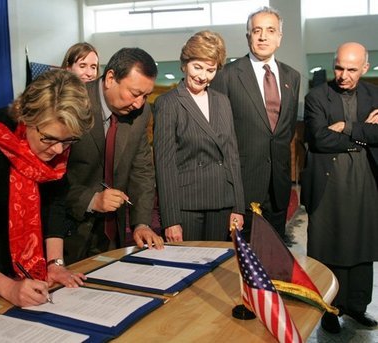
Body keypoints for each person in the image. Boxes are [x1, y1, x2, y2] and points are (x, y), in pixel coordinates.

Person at [0, 69, 93, 306]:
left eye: (68, 141)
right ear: (26, 116)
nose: (59, 151)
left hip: (30, 277)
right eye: (49, 139)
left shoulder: (56, 142)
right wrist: (7, 287)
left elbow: (55, 201)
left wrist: (55, 264)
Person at [55, 47, 165, 264]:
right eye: (134, 94)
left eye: (145, 96)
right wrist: (91, 199)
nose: (139, 103)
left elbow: (142, 169)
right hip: (66, 231)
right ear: (111, 78)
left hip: (111, 234)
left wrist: (141, 223)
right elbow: (49, 175)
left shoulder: (140, 113)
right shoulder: (71, 101)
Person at [301, 42, 378, 333]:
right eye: (339, 68)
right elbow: (320, 139)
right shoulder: (317, 97)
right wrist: (365, 133)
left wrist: (346, 126)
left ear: (365, 68)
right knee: (328, 247)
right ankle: (330, 310)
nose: (343, 75)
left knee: (362, 244)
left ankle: (357, 307)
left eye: (352, 69)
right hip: (329, 182)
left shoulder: (375, 94)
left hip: (366, 180)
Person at [210, 6, 300, 244]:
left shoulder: (292, 77)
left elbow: (286, 129)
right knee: (242, 265)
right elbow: (219, 136)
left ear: (279, 37)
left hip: (278, 188)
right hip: (242, 188)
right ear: (248, 36)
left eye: (270, 30)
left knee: (275, 261)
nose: (263, 36)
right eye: (256, 30)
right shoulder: (227, 75)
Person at [153, 30, 245, 242]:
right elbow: (164, 165)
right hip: (187, 206)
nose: (202, 76)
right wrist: (170, 219)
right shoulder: (168, 103)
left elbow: (232, 155)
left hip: (222, 201)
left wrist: (238, 206)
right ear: (184, 64)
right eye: (197, 67)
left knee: (218, 268)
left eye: (210, 70)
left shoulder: (222, 101)